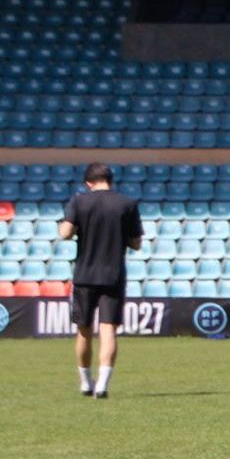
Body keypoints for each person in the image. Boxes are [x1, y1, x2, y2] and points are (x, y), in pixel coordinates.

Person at [59, 163, 143, 400]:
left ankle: (86, 382)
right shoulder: (127, 204)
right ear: (110, 180)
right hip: (113, 274)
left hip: (85, 275)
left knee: (83, 331)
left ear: (88, 183)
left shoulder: (79, 201)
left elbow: (65, 233)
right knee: (108, 330)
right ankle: (103, 385)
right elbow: (137, 243)